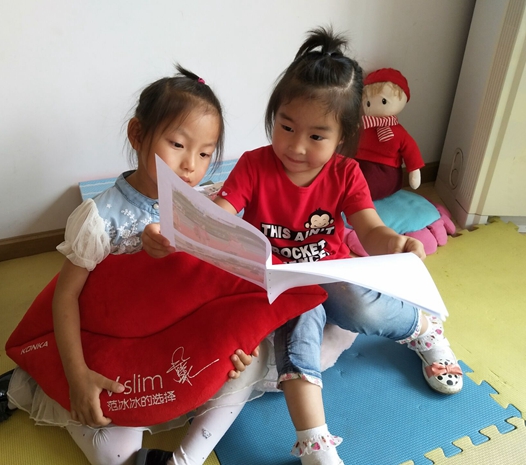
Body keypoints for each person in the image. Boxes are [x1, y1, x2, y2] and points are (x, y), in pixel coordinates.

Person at [142, 28, 463, 465]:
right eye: (286, 126)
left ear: (342, 137)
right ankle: (316, 443)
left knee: (362, 306)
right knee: (297, 339)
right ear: (273, 117)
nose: (295, 146)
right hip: (279, 283)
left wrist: (396, 243)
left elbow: (369, 229)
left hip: (331, 274)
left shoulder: (346, 174)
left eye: (316, 136)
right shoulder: (254, 165)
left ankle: (423, 329)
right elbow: (219, 213)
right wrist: (179, 229)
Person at [0, 65, 264, 465]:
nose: (190, 166)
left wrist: (234, 340)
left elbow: (210, 289)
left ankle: (185, 460)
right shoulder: (101, 218)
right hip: (115, 345)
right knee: (112, 449)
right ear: (137, 134)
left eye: (204, 153)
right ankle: (31, 385)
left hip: (176, 339)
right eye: (177, 144)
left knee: (251, 366)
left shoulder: (203, 206)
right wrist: (77, 377)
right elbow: (66, 297)